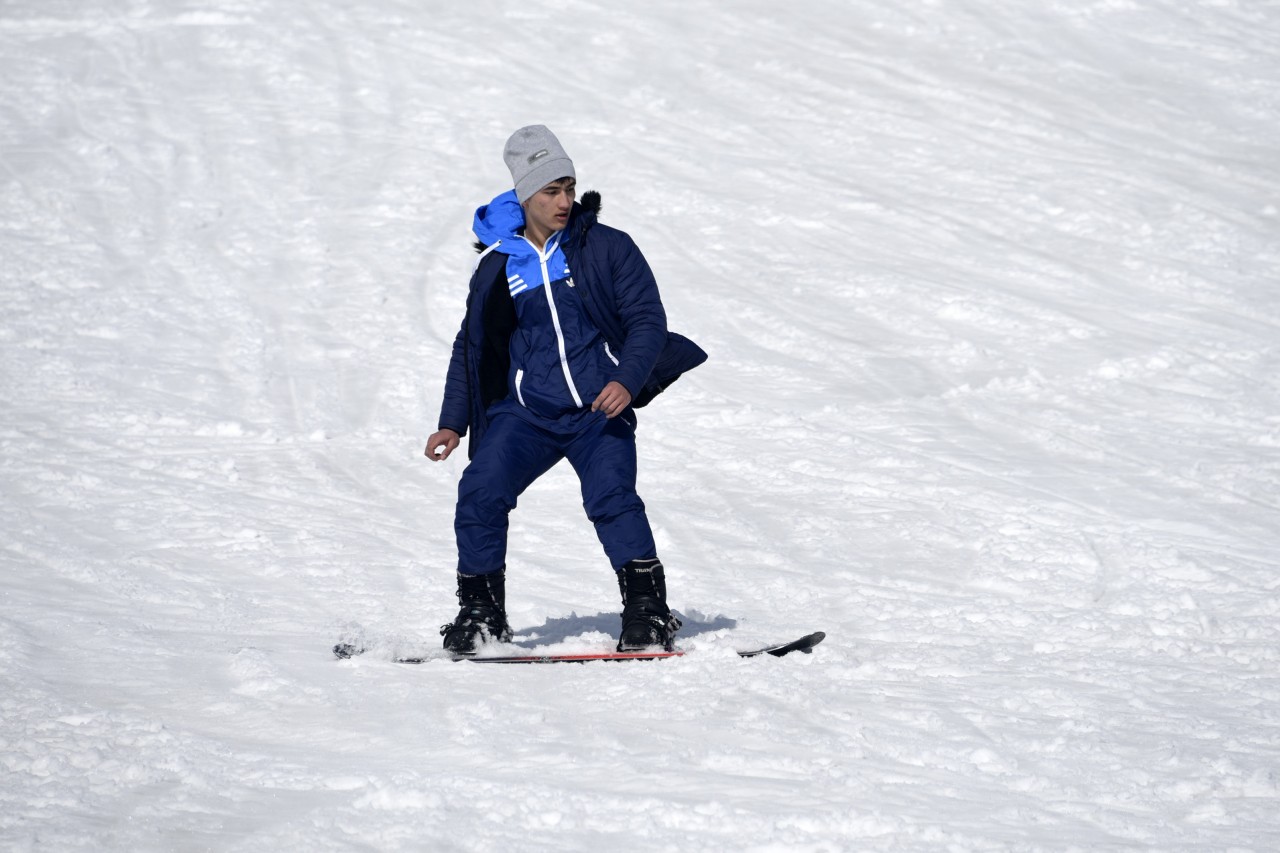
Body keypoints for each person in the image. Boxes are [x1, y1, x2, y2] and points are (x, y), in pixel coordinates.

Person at [424, 125, 707, 655]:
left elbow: (647, 321)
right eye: (551, 191)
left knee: (612, 498)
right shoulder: (499, 265)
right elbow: (472, 345)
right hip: (527, 415)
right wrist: (451, 422)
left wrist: (625, 380)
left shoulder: (606, 248)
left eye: (569, 188)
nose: (563, 201)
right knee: (480, 490)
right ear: (524, 196)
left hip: (598, 410)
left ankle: (648, 611)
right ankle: (482, 614)